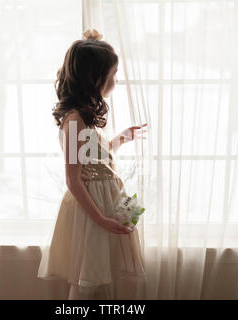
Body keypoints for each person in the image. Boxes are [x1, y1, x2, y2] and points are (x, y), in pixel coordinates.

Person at [37, 28, 147, 300]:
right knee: (86, 280)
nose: (116, 81)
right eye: (113, 76)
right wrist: (101, 219)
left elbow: (96, 160)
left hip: (103, 202)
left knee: (99, 276)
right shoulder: (74, 120)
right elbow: (73, 179)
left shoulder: (86, 118)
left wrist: (120, 139)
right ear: (94, 78)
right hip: (92, 209)